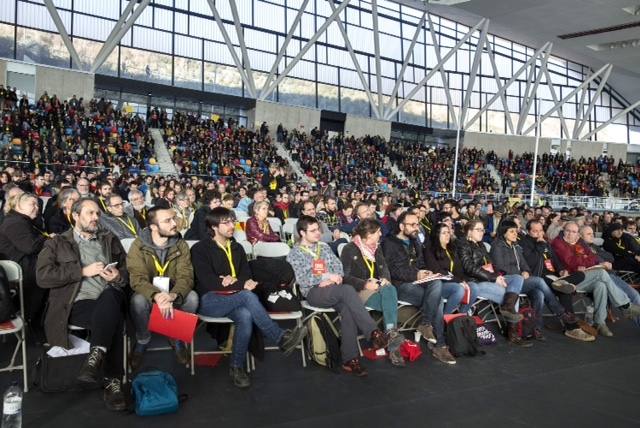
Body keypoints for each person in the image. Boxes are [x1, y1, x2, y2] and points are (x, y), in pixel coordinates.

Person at [191, 207, 306, 388]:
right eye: (226, 222)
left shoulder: (236, 247)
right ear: (213, 226)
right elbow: (208, 281)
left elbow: (246, 276)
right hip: (209, 300)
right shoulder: (200, 249)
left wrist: (237, 282)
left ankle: (236, 367)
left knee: (245, 315)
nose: (232, 225)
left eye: (232, 221)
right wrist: (239, 284)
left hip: (236, 297)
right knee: (246, 296)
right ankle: (279, 338)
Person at [35, 198, 128, 411]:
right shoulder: (57, 242)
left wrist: (117, 276)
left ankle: (95, 359)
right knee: (113, 319)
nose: (96, 218)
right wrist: (81, 272)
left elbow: (127, 272)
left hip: (108, 297)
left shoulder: (109, 238)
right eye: (90, 213)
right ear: (75, 216)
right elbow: (42, 277)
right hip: (75, 304)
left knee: (110, 298)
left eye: (97, 213)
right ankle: (113, 382)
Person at [287, 215, 389, 376]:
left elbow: (339, 269)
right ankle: (373, 332)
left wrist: (332, 278)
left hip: (334, 289)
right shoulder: (295, 253)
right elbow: (302, 278)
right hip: (313, 293)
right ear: (302, 233)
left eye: (318, 229)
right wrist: (325, 277)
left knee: (348, 308)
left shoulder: (324, 247)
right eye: (313, 231)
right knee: (348, 290)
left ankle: (350, 359)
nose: (318, 233)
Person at [127, 206, 199, 370]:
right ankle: (143, 339)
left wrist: (173, 295)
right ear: (153, 227)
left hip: (173, 289)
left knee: (192, 297)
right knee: (138, 300)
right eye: (168, 221)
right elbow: (137, 279)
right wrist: (157, 295)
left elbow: (186, 276)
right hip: (148, 290)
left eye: (174, 218)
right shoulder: (138, 245)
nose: (174, 223)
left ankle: (175, 335)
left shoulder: (181, 244)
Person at [382, 211, 456, 364]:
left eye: (418, 224)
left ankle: (426, 324)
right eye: (412, 225)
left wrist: (425, 272)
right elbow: (393, 270)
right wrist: (416, 274)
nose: (417, 228)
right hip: (401, 285)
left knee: (436, 283)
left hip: (418, 281)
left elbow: (421, 263)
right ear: (402, 226)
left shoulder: (414, 241)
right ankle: (440, 345)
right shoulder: (389, 243)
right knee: (438, 302)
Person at [490, 220, 582, 342]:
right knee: (539, 282)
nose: (515, 234)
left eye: (516, 231)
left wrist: (526, 271)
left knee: (539, 294)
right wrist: (521, 273)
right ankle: (561, 312)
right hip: (507, 280)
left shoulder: (515, 246)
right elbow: (499, 267)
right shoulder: (498, 246)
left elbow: (525, 264)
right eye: (511, 232)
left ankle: (535, 328)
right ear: (503, 232)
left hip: (522, 280)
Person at [551, 222, 640, 337]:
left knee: (600, 285)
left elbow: (593, 257)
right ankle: (625, 306)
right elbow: (571, 262)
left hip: (584, 276)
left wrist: (585, 261)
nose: (570, 234)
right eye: (568, 231)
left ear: (577, 234)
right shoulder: (558, 243)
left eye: (573, 232)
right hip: (568, 280)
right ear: (563, 230)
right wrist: (586, 260)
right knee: (601, 273)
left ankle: (599, 322)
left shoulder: (579, 242)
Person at [340, 218, 405, 367]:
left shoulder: (376, 247)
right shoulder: (349, 249)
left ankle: (390, 334)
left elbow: (384, 268)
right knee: (391, 301)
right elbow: (345, 277)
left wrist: (385, 279)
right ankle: (392, 339)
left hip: (379, 288)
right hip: (359, 290)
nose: (381, 234)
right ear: (369, 234)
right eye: (378, 232)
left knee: (389, 288)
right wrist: (365, 283)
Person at [456, 219, 529, 347]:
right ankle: (512, 332)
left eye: (483, 230)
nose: (482, 232)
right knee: (511, 296)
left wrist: (498, 276)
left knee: (517, 279)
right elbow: (470, 268)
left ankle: (508, 309)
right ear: (469, 231)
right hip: (475, 282)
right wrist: (493, 278)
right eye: (478, 230)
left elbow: (492, 266)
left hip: (489, 278)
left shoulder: (481, 245)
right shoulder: (463, 244)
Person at [520, 220, 595, 341]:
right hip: (539, 277)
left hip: (554, 276)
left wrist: (561, 271)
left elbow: (555, 260)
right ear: (528, 232)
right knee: (564, 291)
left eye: (540, 230)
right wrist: (540, 246)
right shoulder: (525, 243)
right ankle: (572, 328)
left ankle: (562, 283)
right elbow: (530, 263)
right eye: (535, 231)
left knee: (580, 275)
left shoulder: (545, 242)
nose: (539, 233)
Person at [0, 192, 49, 326]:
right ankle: (32, 321)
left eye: (38, 205)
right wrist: (48, 239)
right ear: (18, 206)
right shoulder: (15, 222)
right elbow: (30, 247)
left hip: (26, 264)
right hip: (21, 267)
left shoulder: (22, 220)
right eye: (32, 204)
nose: (36, 208)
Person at [423, 222, 468, 314]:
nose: (447, 235)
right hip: (439, 284)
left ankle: (462, 316)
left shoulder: (452, 248)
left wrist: (462, 280)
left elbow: (459, 269)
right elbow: (437, 271)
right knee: (459, 289)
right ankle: (446, 316)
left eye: (448, 232)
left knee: (472, 287)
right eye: (443, 233)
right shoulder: (429, 250)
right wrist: (458, 281)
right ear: (436, 235)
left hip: (453, 281)